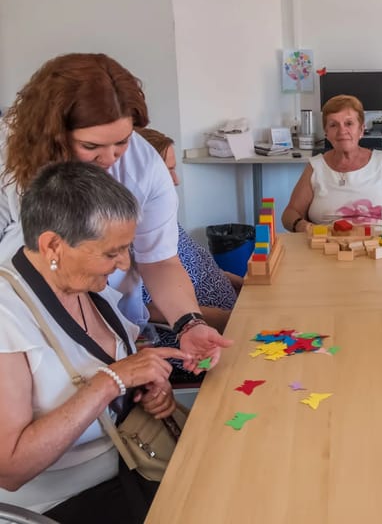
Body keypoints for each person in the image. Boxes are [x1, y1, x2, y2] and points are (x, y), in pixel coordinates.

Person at [0, 53, 232, 366]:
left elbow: (159, 260)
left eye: (122, 142)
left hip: (112, 327)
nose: (110, 158)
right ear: (53, 137)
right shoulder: (9, 160)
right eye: (92, 147)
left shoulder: (144, 165)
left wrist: (189, 323)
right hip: (27, 326)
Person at [0, 161, 190, 522]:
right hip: (64, 502)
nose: (122, 265)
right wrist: (111, 382)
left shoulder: (86, 287)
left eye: (126, 249)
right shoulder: (6, 315)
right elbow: (10, 469)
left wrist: (148, 385)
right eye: (110, 253)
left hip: (132, 464)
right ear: (53, 245)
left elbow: (117, 362)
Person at [137, 127, 241, 332]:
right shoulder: (129, 235)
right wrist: (225, 319)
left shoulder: (159, 216)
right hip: (201, 333)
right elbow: (147, 309)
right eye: (168, 171)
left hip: (231, 312)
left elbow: (196, 263)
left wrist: (241, 283)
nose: (176, 180)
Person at [281, 94, 382, 233]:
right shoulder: (316, 167)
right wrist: (303, 226)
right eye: (333, 125)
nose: (342, 131)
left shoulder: (381, 162)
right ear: (326, 133)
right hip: (328, 247)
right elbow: (290, 214)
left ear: (361, 130)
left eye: (349, 123)